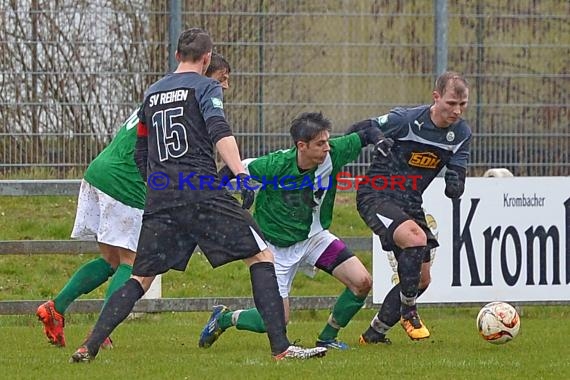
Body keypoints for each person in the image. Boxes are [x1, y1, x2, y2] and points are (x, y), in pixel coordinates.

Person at [70, 27, 327, 363]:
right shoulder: (205, 87)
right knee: (262, 256)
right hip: (202, 192)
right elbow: (220, 131)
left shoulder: (152, 93)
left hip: (163, 198)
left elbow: (141, 151)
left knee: (140, 277)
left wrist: (158, 186)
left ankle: (88, 346)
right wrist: (240, 173)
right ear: (207, 59)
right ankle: (282, 348)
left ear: (178, 56)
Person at [36, 52, 232, 349]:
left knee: (111, 260)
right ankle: (100, 335)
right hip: (125, 180)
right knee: (136, 262)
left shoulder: (162, 94)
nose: (225, 87)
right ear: (204, 74)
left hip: (99, 171)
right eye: (222, 79)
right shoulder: (190, 103)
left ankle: (56, 307)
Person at [198, 111, 392, 350]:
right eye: (320, 144)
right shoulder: (275, 165)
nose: (327, 148)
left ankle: (327, 337)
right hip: (276, 250)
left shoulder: (334, 153)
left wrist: (381, 142)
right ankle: (225, 318)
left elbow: (367, 133)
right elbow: (231, 169)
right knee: (275, 321)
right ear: (302, 146)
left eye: (327, 141)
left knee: (361, 282)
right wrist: (217, 199)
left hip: (315, 239)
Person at [355, 71, 472, 343]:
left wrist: (455, 183)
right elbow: (359, 128)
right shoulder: (405, 120)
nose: (456, 111)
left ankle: (375, 334)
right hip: (376, 194)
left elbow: (457, 182)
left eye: (462, 104)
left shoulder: (461, 133)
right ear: (436, 97)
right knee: (416, 239)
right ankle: (409, 311)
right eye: (451, 103)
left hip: (410, 202)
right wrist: (377, 139)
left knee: (422, 280)